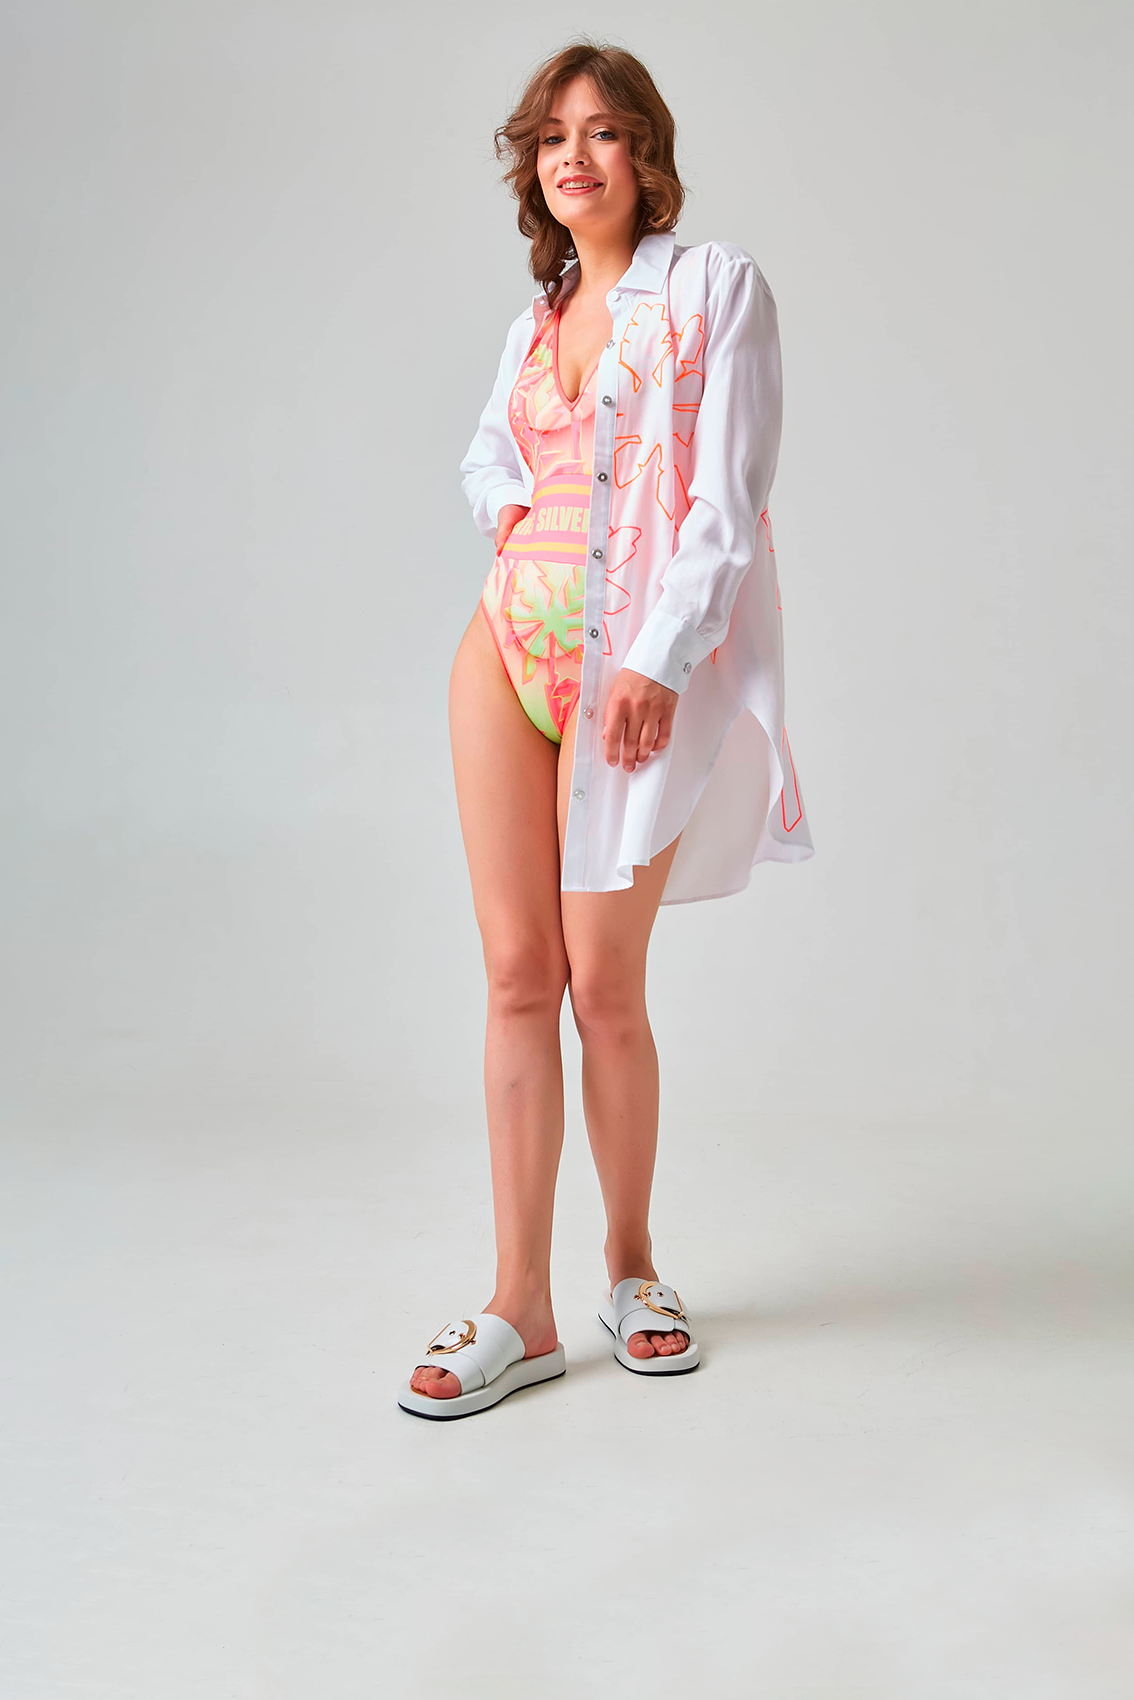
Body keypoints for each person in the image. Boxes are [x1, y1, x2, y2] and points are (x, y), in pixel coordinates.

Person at [398, 39, 814, 1420]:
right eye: (552, 137)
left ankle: (630, 1267)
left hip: (626, 669)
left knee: (603, 987)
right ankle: (519, 1305)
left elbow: (729, 500)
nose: (574, 155)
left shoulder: (713, 288)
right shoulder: (538, 317)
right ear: (533, 168)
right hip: (503, 651)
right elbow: (487, 457)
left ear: (646, 153)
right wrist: (515, 521)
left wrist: (655, 658)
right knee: (517, 977)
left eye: (603, 132)